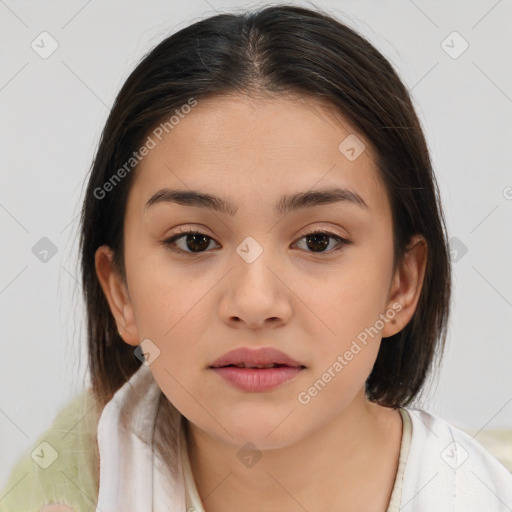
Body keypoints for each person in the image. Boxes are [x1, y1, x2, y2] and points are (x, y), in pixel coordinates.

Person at [1, 4, 511, 511]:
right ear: (120, 292)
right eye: (194, 241)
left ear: (402, 284)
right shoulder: (62, 482)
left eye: (318, 241)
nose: (254, 301)